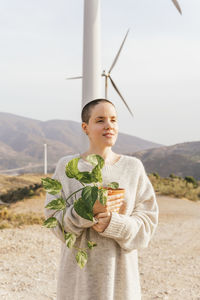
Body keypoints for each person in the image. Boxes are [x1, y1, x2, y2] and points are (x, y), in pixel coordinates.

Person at [44, 98, 159, 300]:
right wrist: (87, 210)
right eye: (100, 120)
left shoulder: (133, 168)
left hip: (120, 284)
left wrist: (114, 224)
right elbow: (54, 222)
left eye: (113, 120)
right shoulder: (67, 167)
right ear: (85, 127)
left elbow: (147, 225)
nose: (109, 126)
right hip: (77, 284)